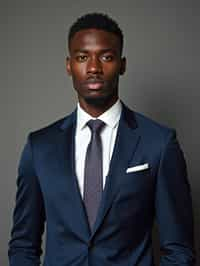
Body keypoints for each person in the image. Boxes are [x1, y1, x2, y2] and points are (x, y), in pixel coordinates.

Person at [8, 13, 195, 266]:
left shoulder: (159, 143)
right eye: (82, 57)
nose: (94, 67)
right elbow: (23, 245)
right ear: (68, 65)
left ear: (122, 64)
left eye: (106, 57)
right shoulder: (39, 147)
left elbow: (179, 248)